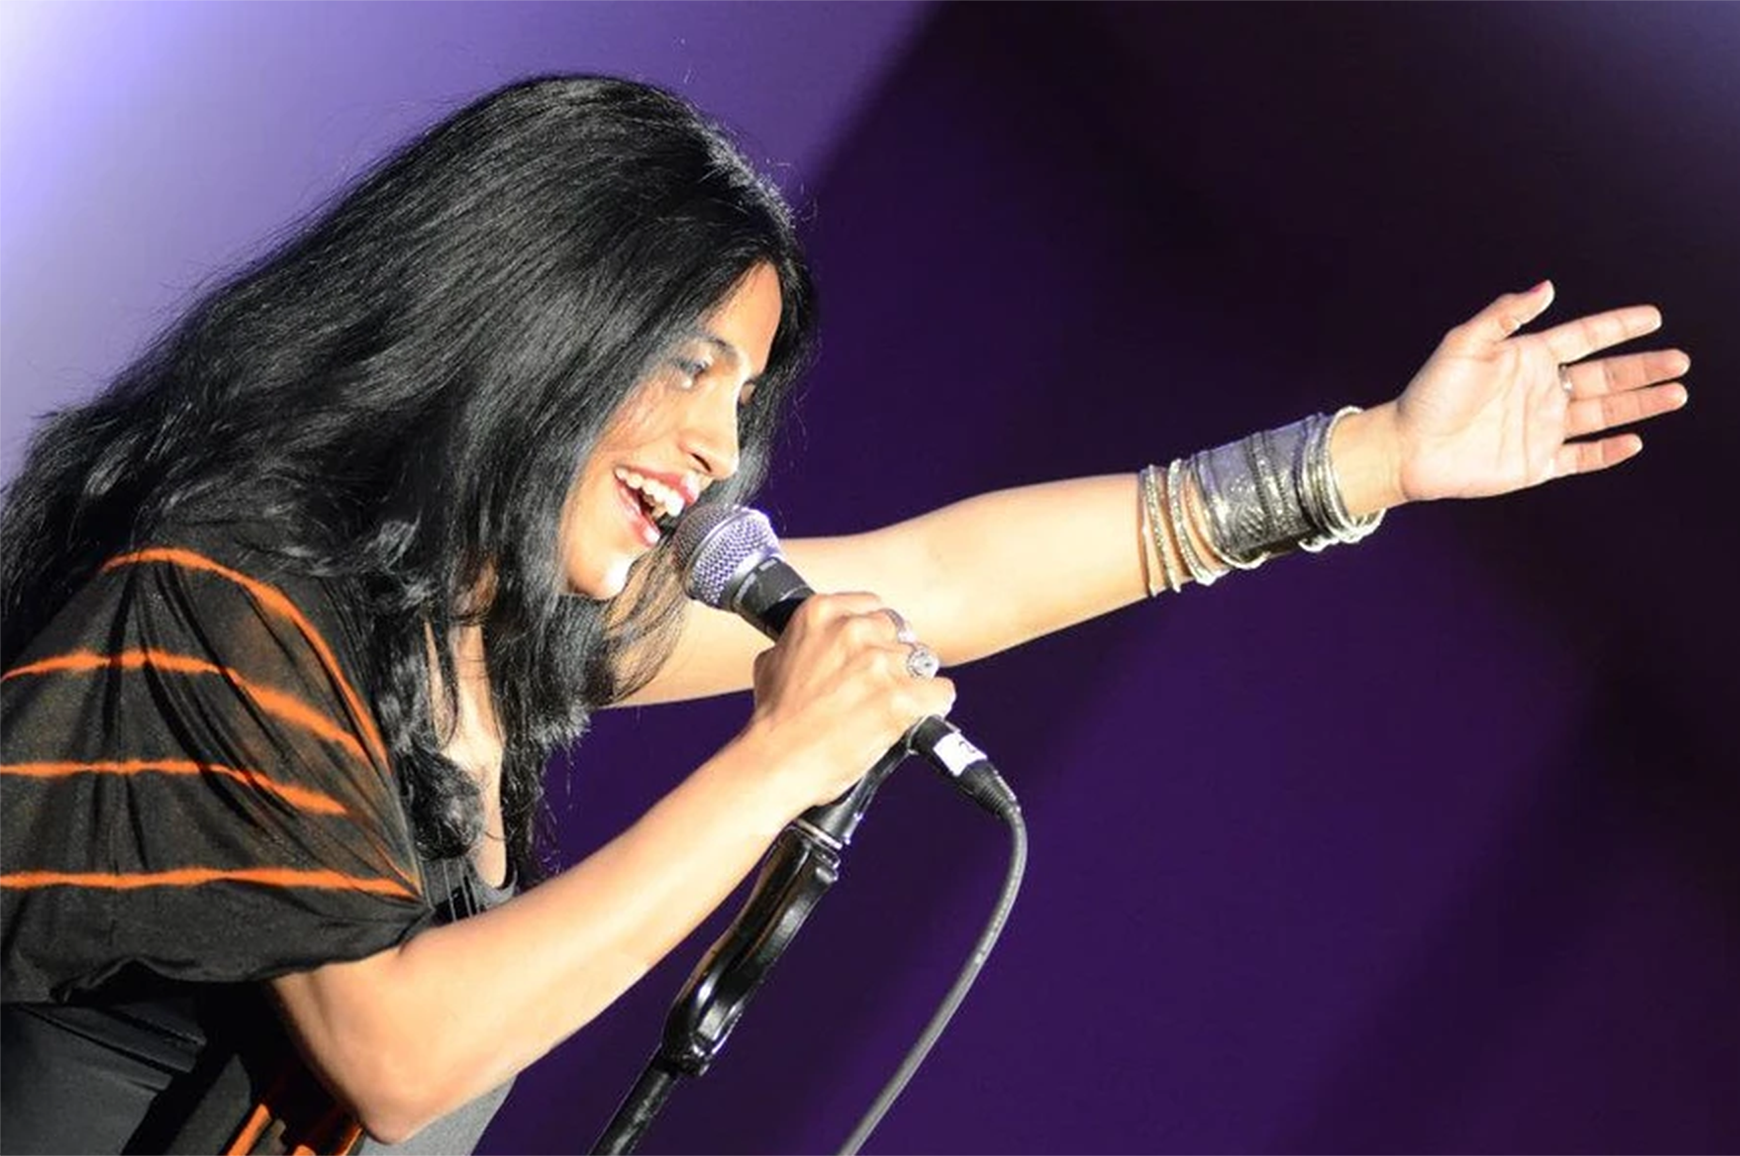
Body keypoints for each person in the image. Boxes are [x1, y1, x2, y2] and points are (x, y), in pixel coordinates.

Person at [0, 75, 1689, 1154]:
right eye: (682, 370)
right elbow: (390, 1047)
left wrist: (1367, 463)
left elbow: (934, 579)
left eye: (740, 402)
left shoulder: (492, 648)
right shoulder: (228, 605)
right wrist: (769, 770)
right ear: (527, 329)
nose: (713, 450)